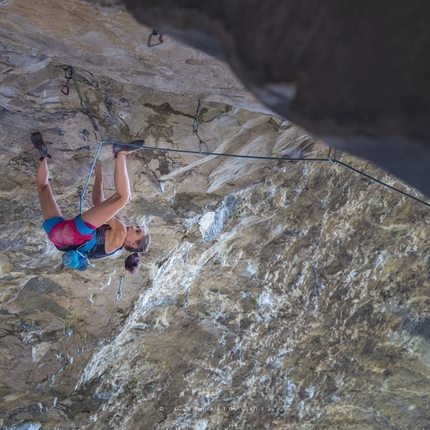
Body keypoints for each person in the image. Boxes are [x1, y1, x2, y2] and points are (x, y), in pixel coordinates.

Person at [33, 132, 150, 274]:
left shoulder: (120, 233)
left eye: (137, 231)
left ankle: (121, 153)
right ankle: (42, 155)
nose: (133, 227)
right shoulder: (109, 250)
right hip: (58, 238)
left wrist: (100, 177)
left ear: (132, 244)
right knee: (43, 187)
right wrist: (98, 177)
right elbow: (98, 204)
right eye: (137, 227)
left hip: (77, 232)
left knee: (125, 197)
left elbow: (101, 203)